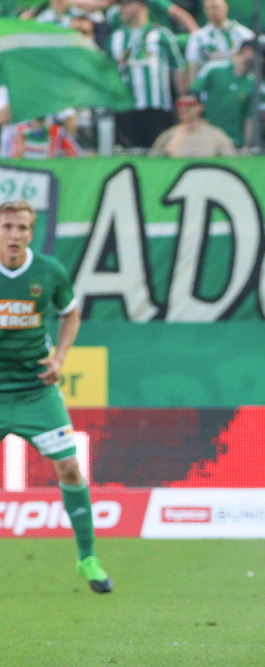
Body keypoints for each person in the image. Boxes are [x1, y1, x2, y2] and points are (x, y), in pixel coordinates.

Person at [0, 200, 112, 594]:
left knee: (69, 469)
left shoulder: (49, 271)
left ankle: (88, 559)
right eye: (7, 227)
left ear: (32, 232)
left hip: (35, 389)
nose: (14, 235)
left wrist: (60, 356)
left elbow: (71, 313)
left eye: (22, 228)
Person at [108, 0, 187, 149]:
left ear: (140, 6)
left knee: (157, 152)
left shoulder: (162, 35)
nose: (121, 10)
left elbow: (177, 69)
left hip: (157, 107)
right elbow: (108, 73)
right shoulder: (115, 37)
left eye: (126, 5)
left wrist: (182, 100)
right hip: (126, 110)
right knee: (131, 153)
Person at [190, 40, 255, 148]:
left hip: (234, 142)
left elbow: (249, 117)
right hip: (208, 139)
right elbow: (193, 96)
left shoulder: (252, 81)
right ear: (246, 50)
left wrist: (247, 146)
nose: (261, 60)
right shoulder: (213, 68)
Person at [184, 0, 254, 82]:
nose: (213, 11)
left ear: (225, 7)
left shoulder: (243, 33)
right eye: (208, 8)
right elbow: (193, 67)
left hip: (238, 84)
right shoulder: (197, 38)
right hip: (210, 86)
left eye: (216, 7)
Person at [149, 93, 235, 157]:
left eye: (189, 104)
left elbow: (232, 162)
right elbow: (152, 164)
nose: (184, 108)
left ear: (200, 107)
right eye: (180, 104)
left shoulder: (216, 136)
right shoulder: (168, 136)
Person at [7, 117, 81, 158]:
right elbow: (13, 162)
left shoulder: (57, 132)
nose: (39, 116)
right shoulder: (18, 132)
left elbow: (75, 155)